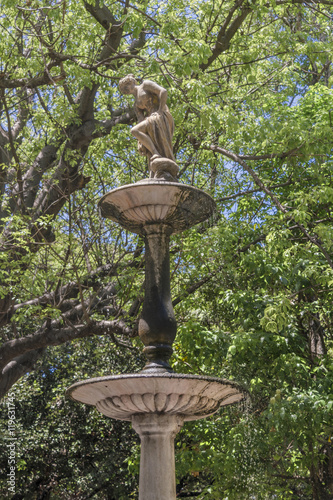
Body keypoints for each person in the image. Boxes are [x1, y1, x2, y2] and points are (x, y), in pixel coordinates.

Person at [119, 75, 178, 180]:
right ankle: (155, 156)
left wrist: (160, 111)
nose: (126, 90)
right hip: (151, 120)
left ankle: (160, 159)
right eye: (124, 90)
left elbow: (163, 91)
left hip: (160, 115)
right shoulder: (135, 104)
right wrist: (140, 141)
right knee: (135, 131)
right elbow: (140, 120)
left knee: (135, 131)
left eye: (126, 87)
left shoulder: (145, 85)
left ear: (132, 82)